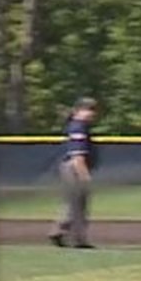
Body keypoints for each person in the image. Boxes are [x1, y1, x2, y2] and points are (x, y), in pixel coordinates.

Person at [49, 96, 100, 248]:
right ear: (80, 110)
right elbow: (78, 155)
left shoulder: (77, 126)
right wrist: (84, 175)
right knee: (79, 204)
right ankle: (78, 239)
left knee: (72, 202)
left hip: (71, 167)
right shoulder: (78, 127)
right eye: (90, 110)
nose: (93, 114)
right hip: (74, 168)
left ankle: (58, 231)